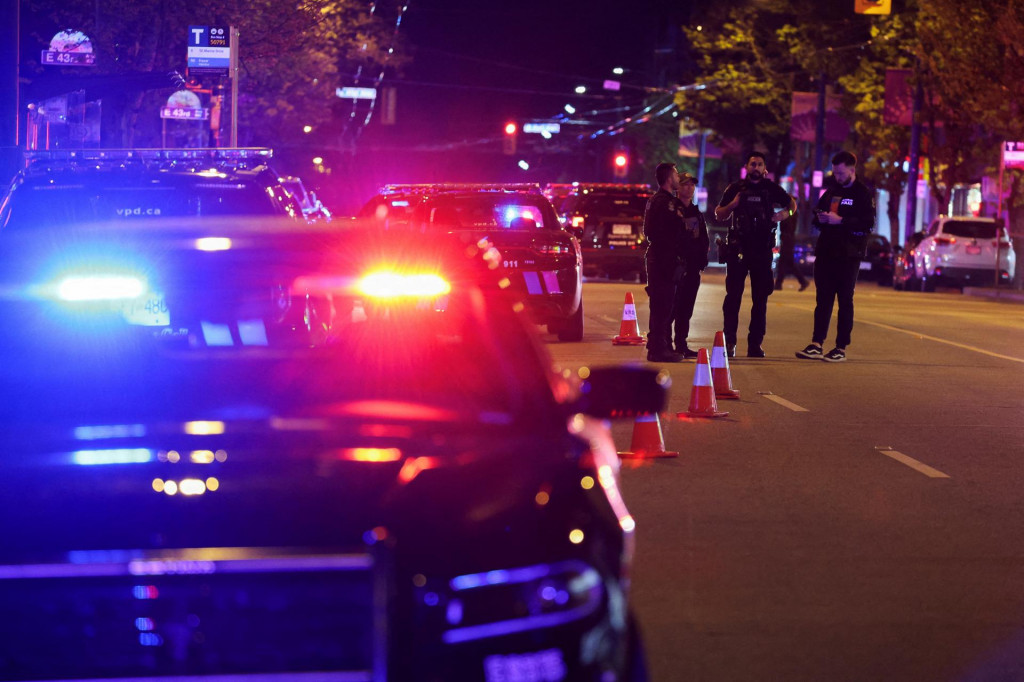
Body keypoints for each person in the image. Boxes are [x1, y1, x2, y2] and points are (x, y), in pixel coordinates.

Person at [714, 152, 796, 358]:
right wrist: (733, 204)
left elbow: (793, 204)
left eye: (759, 164)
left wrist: (785, 214)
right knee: (733, 298)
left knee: (760, 300)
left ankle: (755, 344)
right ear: (746, 167)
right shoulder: (735, 188)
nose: (756, 168)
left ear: (764, 168)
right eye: (753, 164)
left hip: (762, 251)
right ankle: (729, 342)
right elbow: (719, 213)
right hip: (738, 250)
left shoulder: (771, 189)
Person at [796, 151, 875, 363]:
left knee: (845, 300)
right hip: (826, 252)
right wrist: (821, 217)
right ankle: (816, 343)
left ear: (852, 169)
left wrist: (840, 221)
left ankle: (840, 347)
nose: (838, 176)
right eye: (835, 172)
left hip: (848, 254)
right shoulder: (832, 190)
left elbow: (867, 223)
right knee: (823, 299)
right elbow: (817, 215)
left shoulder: (862, 194)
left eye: (841, 173)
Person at [642, 162, 686, 362]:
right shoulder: (668, 203)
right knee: (663, 305)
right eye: (676, 175)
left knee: (658, 303)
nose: (679, 179)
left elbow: (649, 231)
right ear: (669, 178)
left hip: (657, 257)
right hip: (664, 258)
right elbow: (672, 232)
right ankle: (659, 349)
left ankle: (657, 345)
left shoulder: (654, 200)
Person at [671, 172, 710, 358]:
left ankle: (681, 344)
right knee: (671, 308)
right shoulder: (671, 210)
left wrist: (702, 259)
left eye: (692, 185)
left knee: (686, 308)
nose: (689, 188)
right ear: (678, 187)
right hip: (676, 267)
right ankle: (663, 343)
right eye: (685, 184)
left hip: (693, 268)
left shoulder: (696, 213)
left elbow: (703, 239)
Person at [774, 211, 809, 291]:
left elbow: (789, 227)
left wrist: (784, 217)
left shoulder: (791, 213)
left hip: (788, 241)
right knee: (784, 263)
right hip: (786, 240)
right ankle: (778, 284)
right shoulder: (789, 213)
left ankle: (802, 281)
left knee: (788, 263)